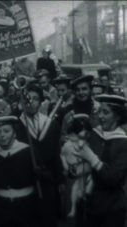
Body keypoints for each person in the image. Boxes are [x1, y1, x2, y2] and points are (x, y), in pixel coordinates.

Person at [74, 94, 127, 227]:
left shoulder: (123, 143)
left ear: (117, 116)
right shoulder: (94, 135)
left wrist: (92, 158)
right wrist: (74, 169)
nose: (100, 117)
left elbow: (114, 178)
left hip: (112, 208)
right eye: (99, 111)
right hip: (89, 205)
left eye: (106, 112)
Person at [16, 84, 64, 227]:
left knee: (47, 218)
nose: (31, 102)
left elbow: (57, 153)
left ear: (41, 102)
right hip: (25, 181)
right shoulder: (16, 124)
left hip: (47, 180)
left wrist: (60, 180)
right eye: (27, 99)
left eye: (35, 99)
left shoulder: (51, 124)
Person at [60, 114, 93, 218]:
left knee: (88, 182)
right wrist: (65, 166)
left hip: (86, 169)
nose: (84, 132)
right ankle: (73, 208)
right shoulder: (68, 144)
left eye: (85, 129)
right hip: (75, 171)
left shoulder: (88, 142)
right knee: (75, 187)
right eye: (81, 129)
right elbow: (62, 155)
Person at [61, 75, 100, 141]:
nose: (81, 92)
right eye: (77, 90)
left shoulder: (98, 109)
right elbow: (62, 135)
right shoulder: (68, 110)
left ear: (90, 90)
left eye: (84, 89)